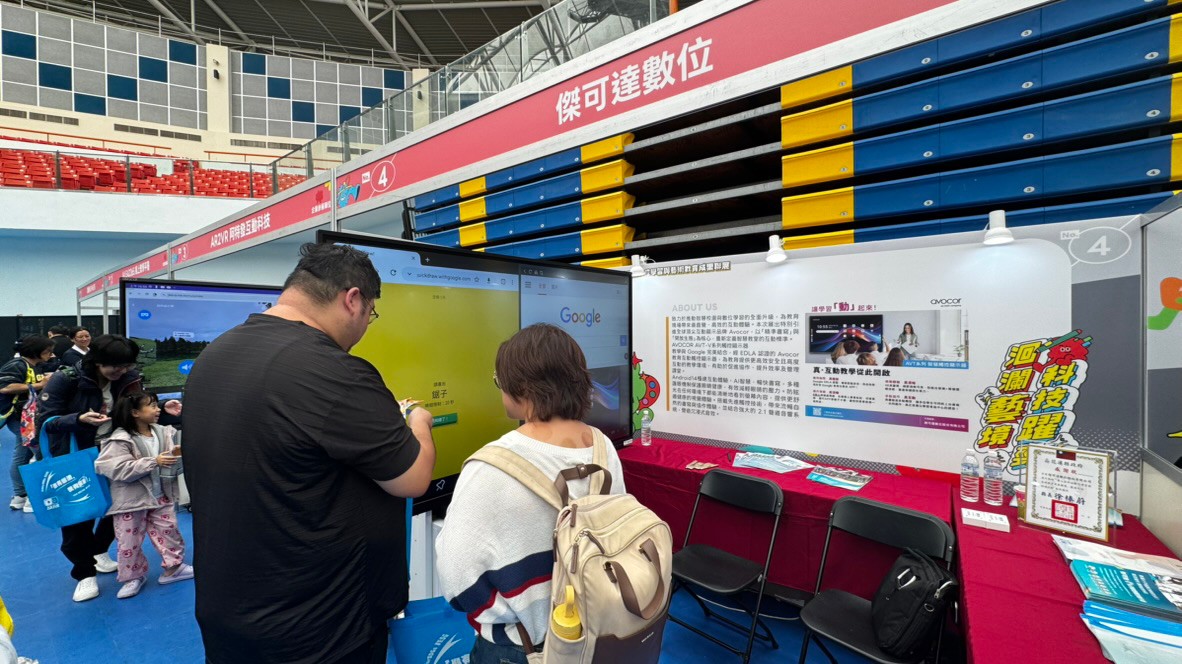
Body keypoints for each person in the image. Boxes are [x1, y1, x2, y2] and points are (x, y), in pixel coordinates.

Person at [183, 242, 437, 664]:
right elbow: (412, 478)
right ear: (352, 299)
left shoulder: (218, 352)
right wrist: (418, 423)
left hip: (231, 609)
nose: (366, 325)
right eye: (371, 313)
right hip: (321, 624)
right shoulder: (333, 370)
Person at [436, 324, 626, 664]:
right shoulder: (602, 446)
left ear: (522, 389)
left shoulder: (489, 467)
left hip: (519, 646)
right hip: (595, 630)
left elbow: (456, 576)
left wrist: (505, 616)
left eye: (499, 381)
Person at [37, 334, 179, 602]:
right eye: (115, 366)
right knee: (78, 517)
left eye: (127, 366)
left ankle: (98, 550)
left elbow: (134, 407)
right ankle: (84, 573)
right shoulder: (66, 379)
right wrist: (78, 419)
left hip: (117, 453)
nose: (121, 371)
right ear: (96, 361)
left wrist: (162, 407)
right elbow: (45, 421)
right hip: (77, 456)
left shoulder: (129, 378)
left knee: (120, 508)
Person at [95, 391, 193, 600]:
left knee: (169, 531)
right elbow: (113, 468)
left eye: (157, 405)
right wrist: (153, 462)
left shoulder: (162, 432)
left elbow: (169, 454)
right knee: (128, 541)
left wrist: (175, 451)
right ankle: (133, 577)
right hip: (131, 501)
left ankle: (174, 568)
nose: (158, 410)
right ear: (135, 413)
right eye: (153, 406)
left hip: (160, 495)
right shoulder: (119, 439)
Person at [1, 337, 53, 512]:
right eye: (47, 351)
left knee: (22, 454)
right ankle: (33, 496)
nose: (50, 354)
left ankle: (20, 495)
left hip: (29, 417)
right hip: (19, 418)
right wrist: (39, 385)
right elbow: (5, 387)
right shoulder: (17, 365)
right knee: (39, 452)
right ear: (36, 351)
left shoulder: (36, 366)